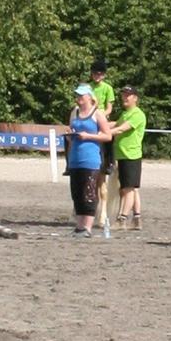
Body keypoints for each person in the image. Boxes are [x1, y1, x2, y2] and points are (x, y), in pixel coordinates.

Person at [64, 84, 112, 237]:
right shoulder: (75, 113)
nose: (79, 99)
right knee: (76, 193)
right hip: (75, 158)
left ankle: (88, 227)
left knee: (89, 193)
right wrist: (70, 135)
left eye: (82, 96)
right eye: (77, 96)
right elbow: (73, 131)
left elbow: (107, 136)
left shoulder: (97, 114)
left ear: (89, 97)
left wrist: (89, 136)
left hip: (90, 158)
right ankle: (79, 226)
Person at [109, 84, 147, 229]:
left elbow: (121, 129)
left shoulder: (137, 114)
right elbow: (116, 124)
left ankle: (122, 219)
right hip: (123, 155)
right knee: (131, 188)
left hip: (131, 155)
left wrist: (102, 135)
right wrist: (100, 124)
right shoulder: (125, 114)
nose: (124, 97)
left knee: (128, 189)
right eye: (123, 94)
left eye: (127, 95)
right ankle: (137, 218)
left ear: (135, 98)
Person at [89, 58, 116, 226]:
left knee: (109, 137)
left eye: (100, 73)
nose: (97, 76)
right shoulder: (87, 88)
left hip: (101, 118)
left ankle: (109, 162)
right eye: (95, 73)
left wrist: (102, 115)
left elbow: (109, 107)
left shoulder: (107, 88)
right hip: (89, 117)